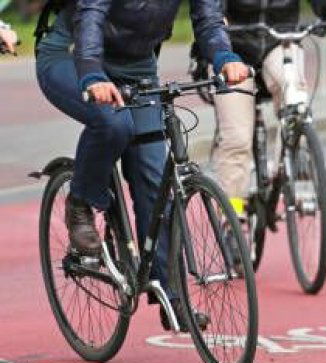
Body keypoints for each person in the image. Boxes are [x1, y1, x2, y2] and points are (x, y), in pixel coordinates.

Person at [35, 0, 251, 328]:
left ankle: (171, 295)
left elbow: (208, 19)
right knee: (112, 124)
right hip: (73, 53)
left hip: (136, 66)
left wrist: (224, 56)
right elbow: (91, 16)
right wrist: (92, 74)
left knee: (154, 178)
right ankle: (80, 203)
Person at [210, 0, 326, 215]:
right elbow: (208, 7)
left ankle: (286, 169)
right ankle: (230, 214)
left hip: (281, 42)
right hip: (233, 49)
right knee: (236, 138)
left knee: (296, 100)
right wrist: (217, 22)